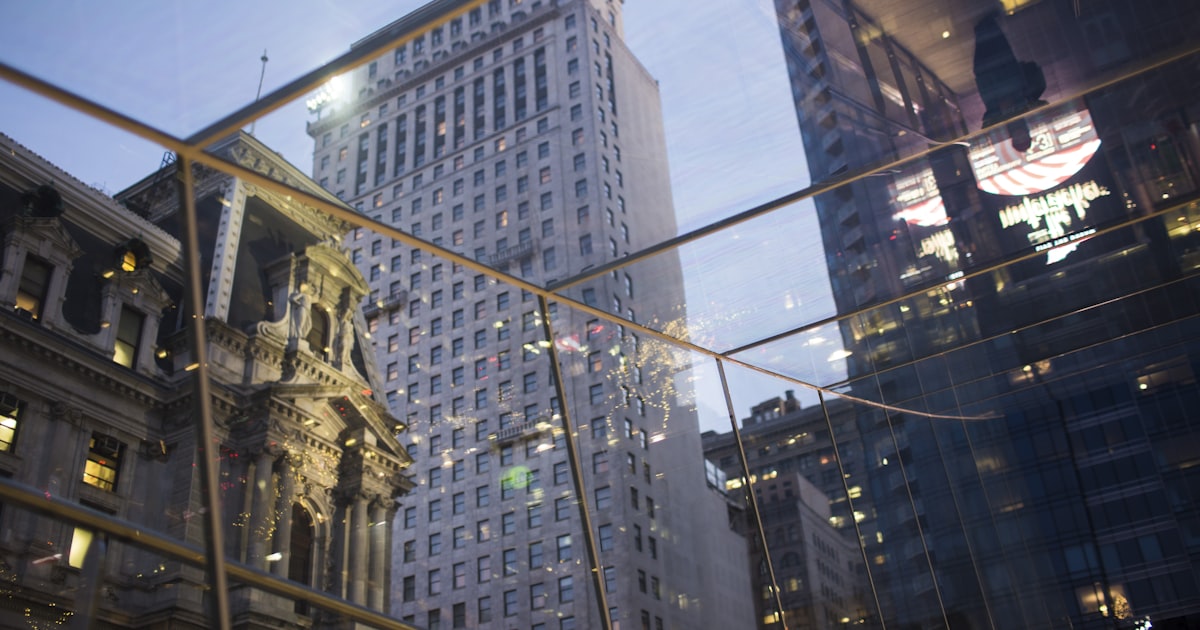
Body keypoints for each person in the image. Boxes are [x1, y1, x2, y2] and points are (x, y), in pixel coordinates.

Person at [973, 12, 1046, 151]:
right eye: (1023, 138)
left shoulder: (1005, 122)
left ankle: (984, 26)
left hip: (994, 81)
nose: (1020, 135)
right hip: (1004, 77)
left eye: (1018, 139)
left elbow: (987, 121)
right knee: (997, 46)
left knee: (987, 49)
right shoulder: (1025, 115)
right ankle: (986, 25)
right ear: (1028, 134)